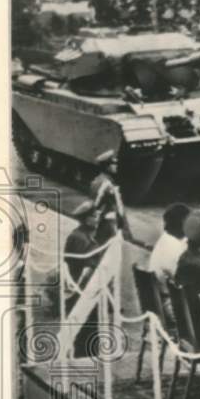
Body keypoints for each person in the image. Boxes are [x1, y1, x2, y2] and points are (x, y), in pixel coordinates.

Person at [63, 201, 102, 359]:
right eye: (94, 216)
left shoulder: (80, 235)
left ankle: (81, 354)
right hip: (82, 288)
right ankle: (82, 356)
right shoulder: (81, 239)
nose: (97, 219)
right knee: (84, 324)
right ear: (86, 219)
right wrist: (79, 290)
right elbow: (84, 268)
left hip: (80, 288)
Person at [90, 149, 129, 242]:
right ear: (107, 166)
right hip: (104, 222)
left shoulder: (99, 180)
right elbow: (96, 202)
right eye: (113, 164)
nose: (116, 166)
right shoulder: (106, 183)